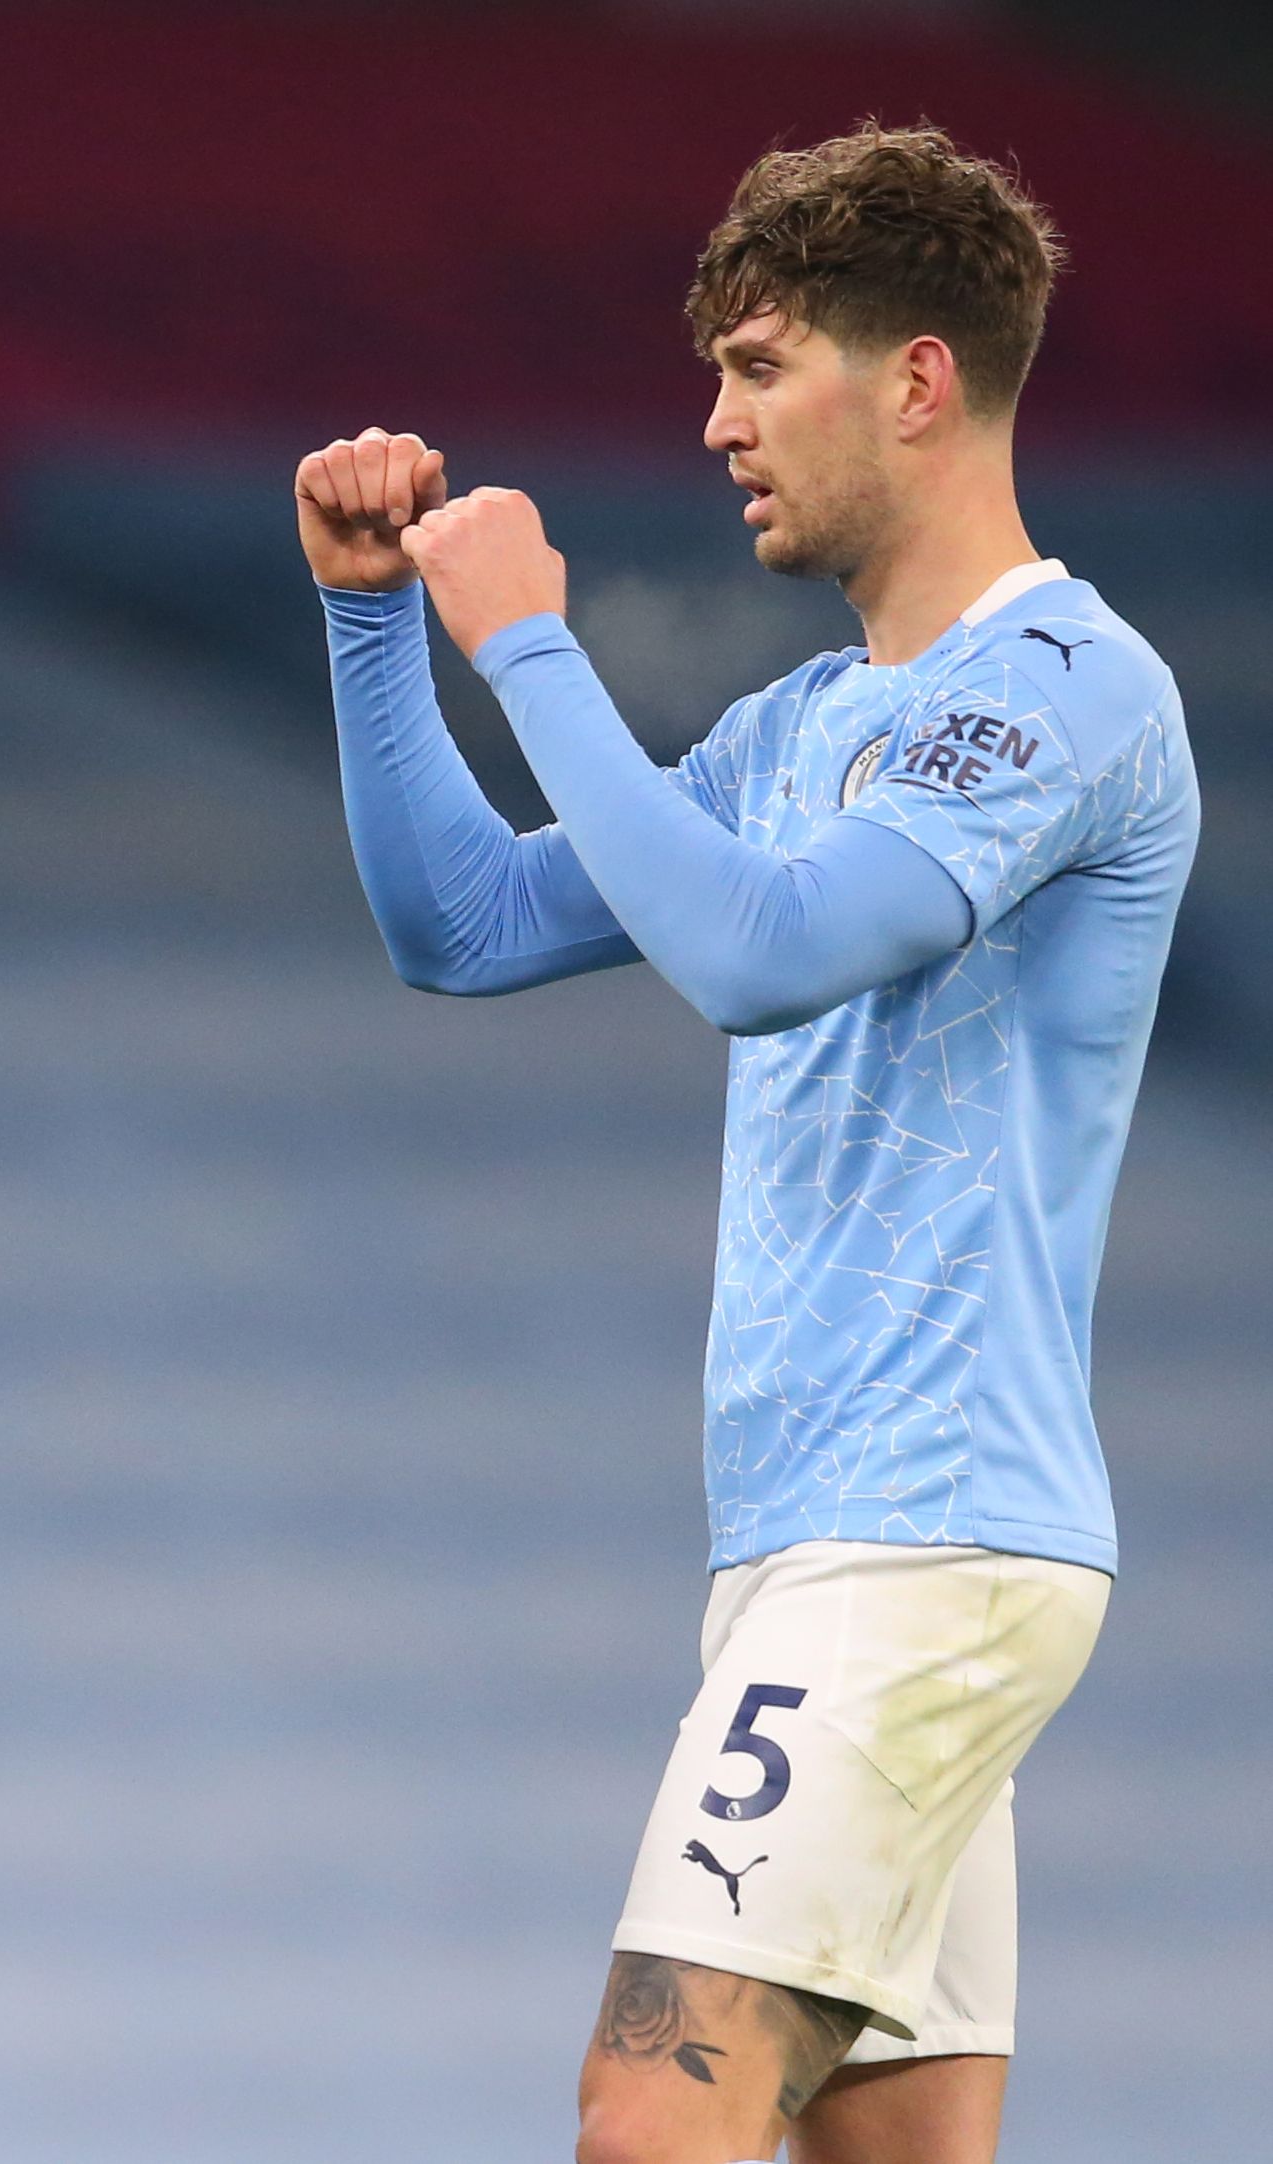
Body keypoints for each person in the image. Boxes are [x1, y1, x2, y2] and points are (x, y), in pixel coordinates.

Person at [297, 127, 1195, 2164]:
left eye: (760, 367)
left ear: (923, 381)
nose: (715, 425)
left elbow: (764, 955)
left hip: (923, 1534)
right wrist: (375, 630)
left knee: (650, 2117)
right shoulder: (803, 725)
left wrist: (529, 639)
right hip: (823, 1534)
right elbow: (470, 927)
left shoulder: (1067, 686)